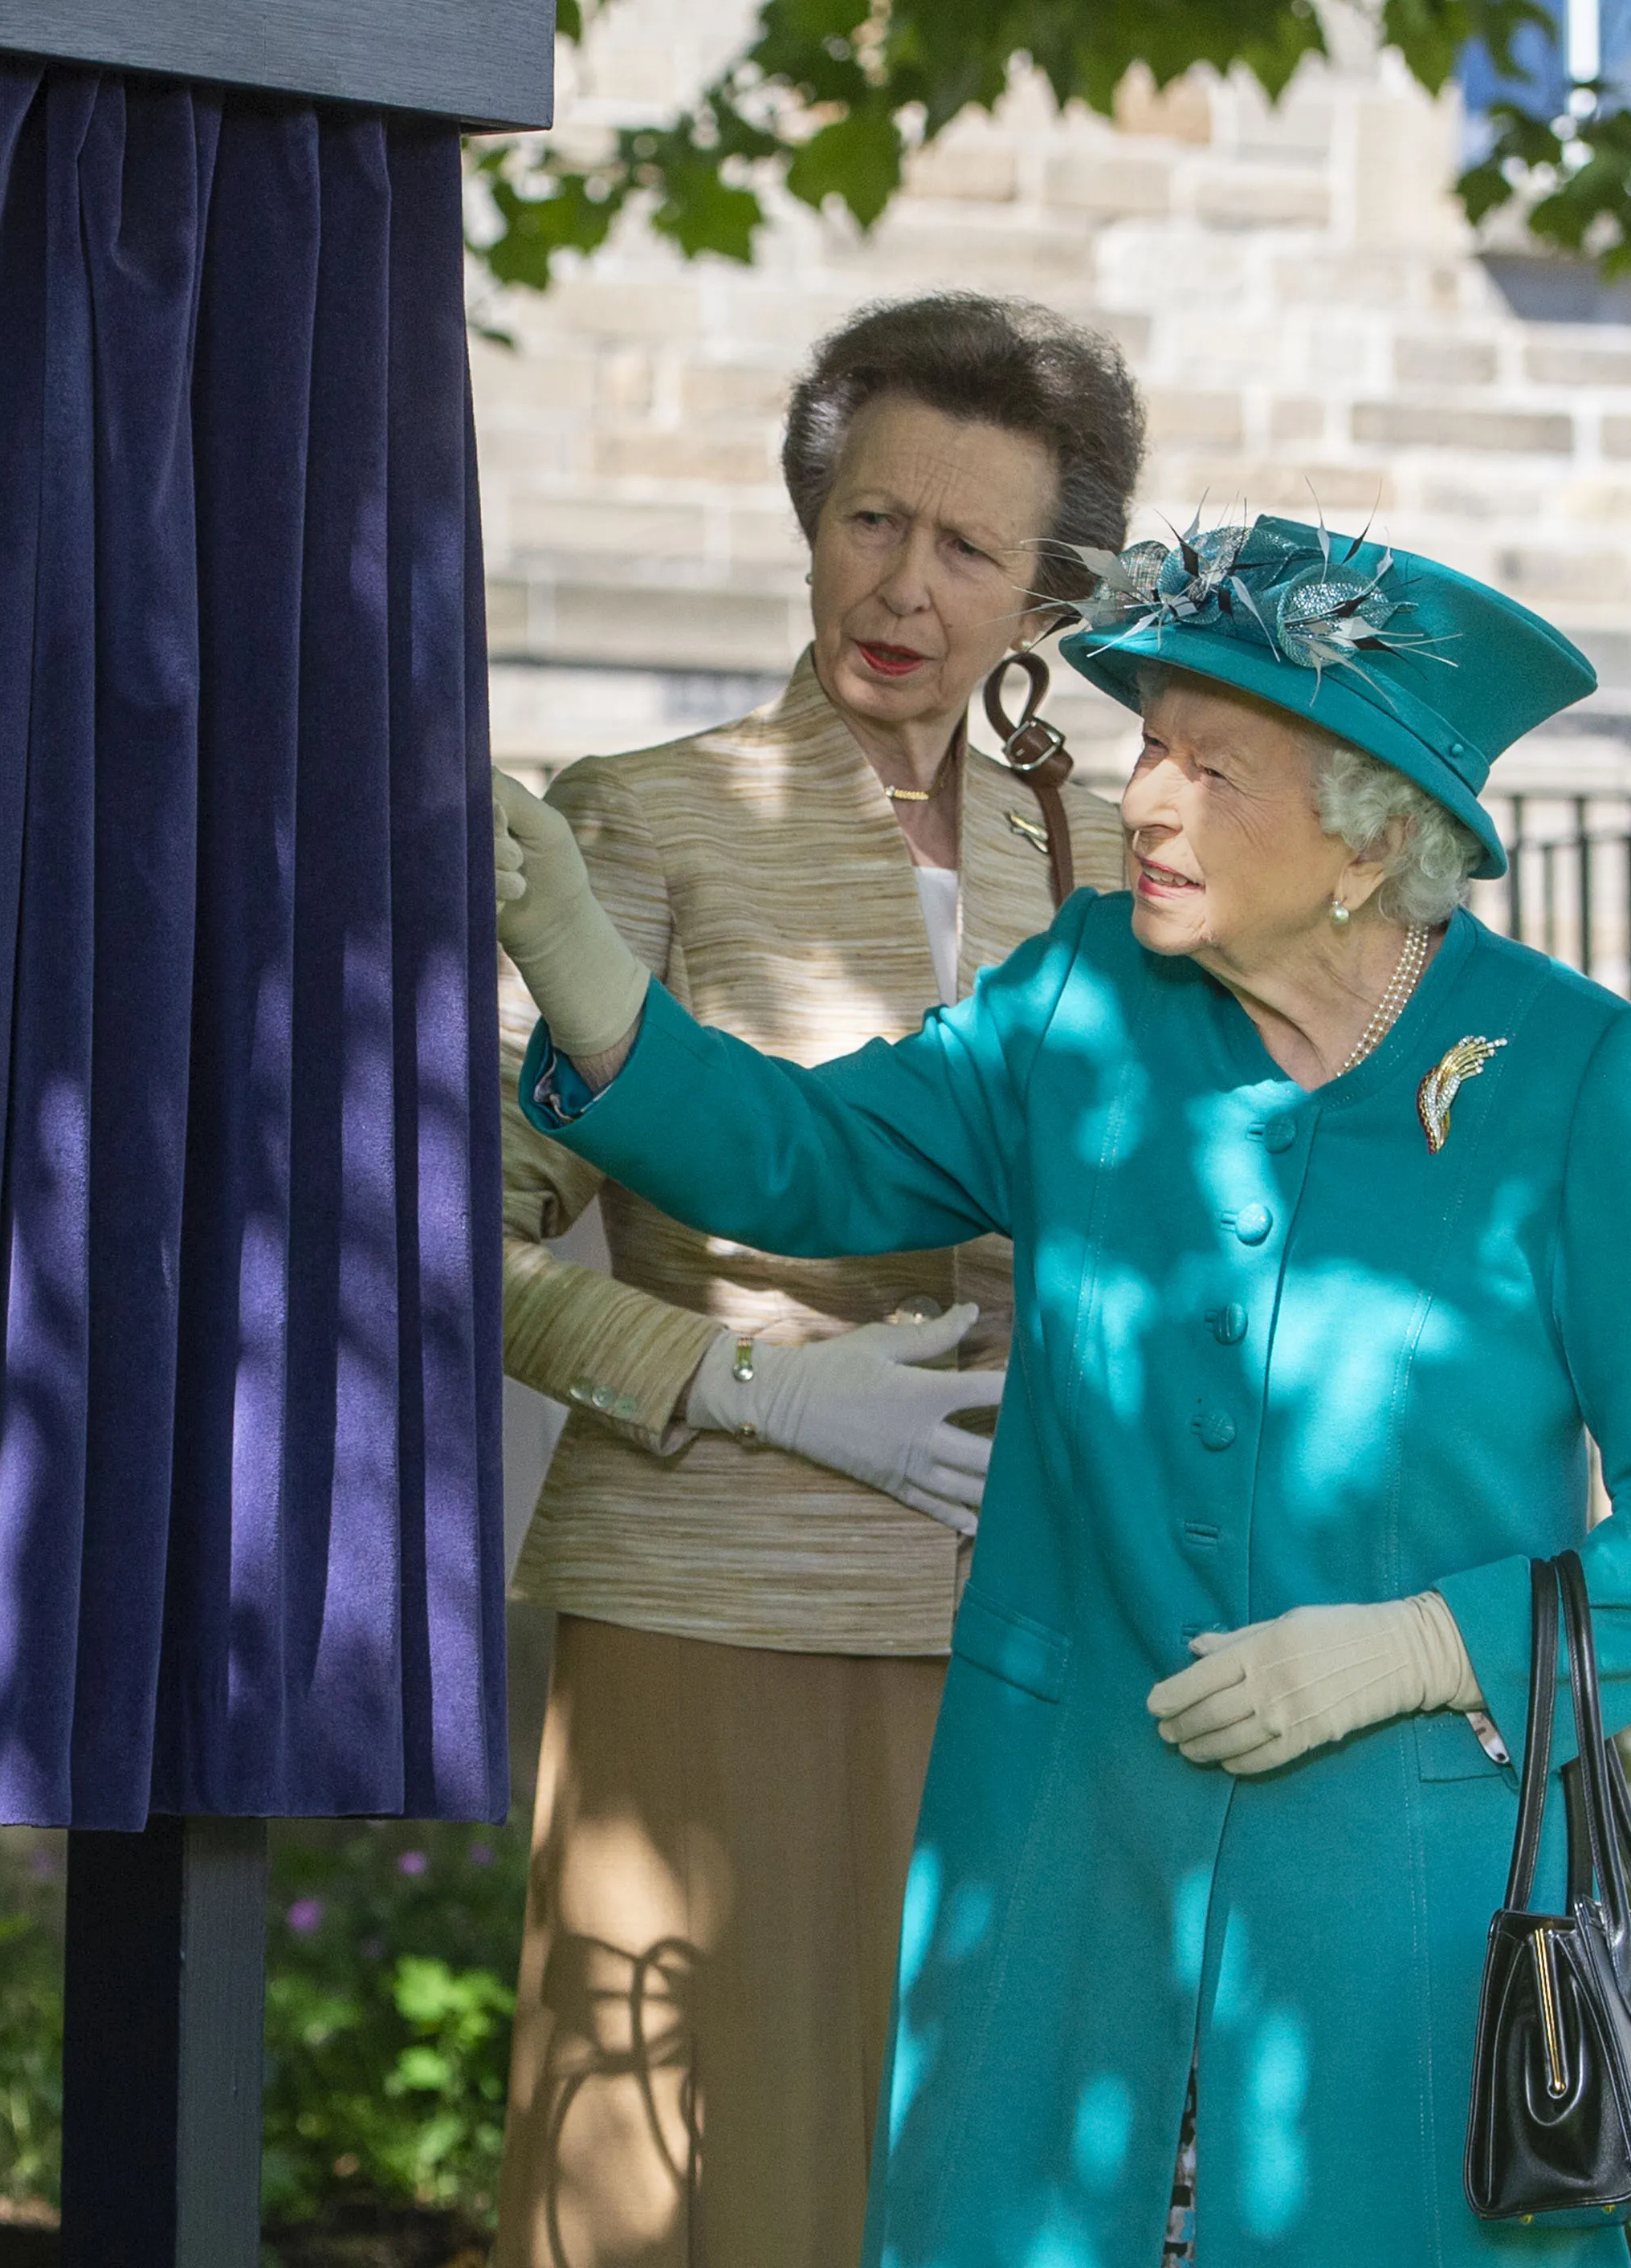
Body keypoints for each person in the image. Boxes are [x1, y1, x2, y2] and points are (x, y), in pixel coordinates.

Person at [490, 516, 1631, 2266]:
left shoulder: (1571, 1077)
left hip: (1404, 1923)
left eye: (1213, 767)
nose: (1146, 802)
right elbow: (802, 1159)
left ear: (1368, 839)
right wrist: (578, 956)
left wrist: (1424, 1645)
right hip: (1061, 1865)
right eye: (1151, 749)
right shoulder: (1081, 998)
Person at [492, 294, 1138, 2268]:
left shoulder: (1118, 862)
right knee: (707, 2167)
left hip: (1037, 1617)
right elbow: (449, 1244)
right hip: (719, 1594)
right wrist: (748, 1385)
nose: (904, 584)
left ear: (1048, 595)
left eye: (968, 546)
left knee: (988, 2165)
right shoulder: (645, 815)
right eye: (871, 518)